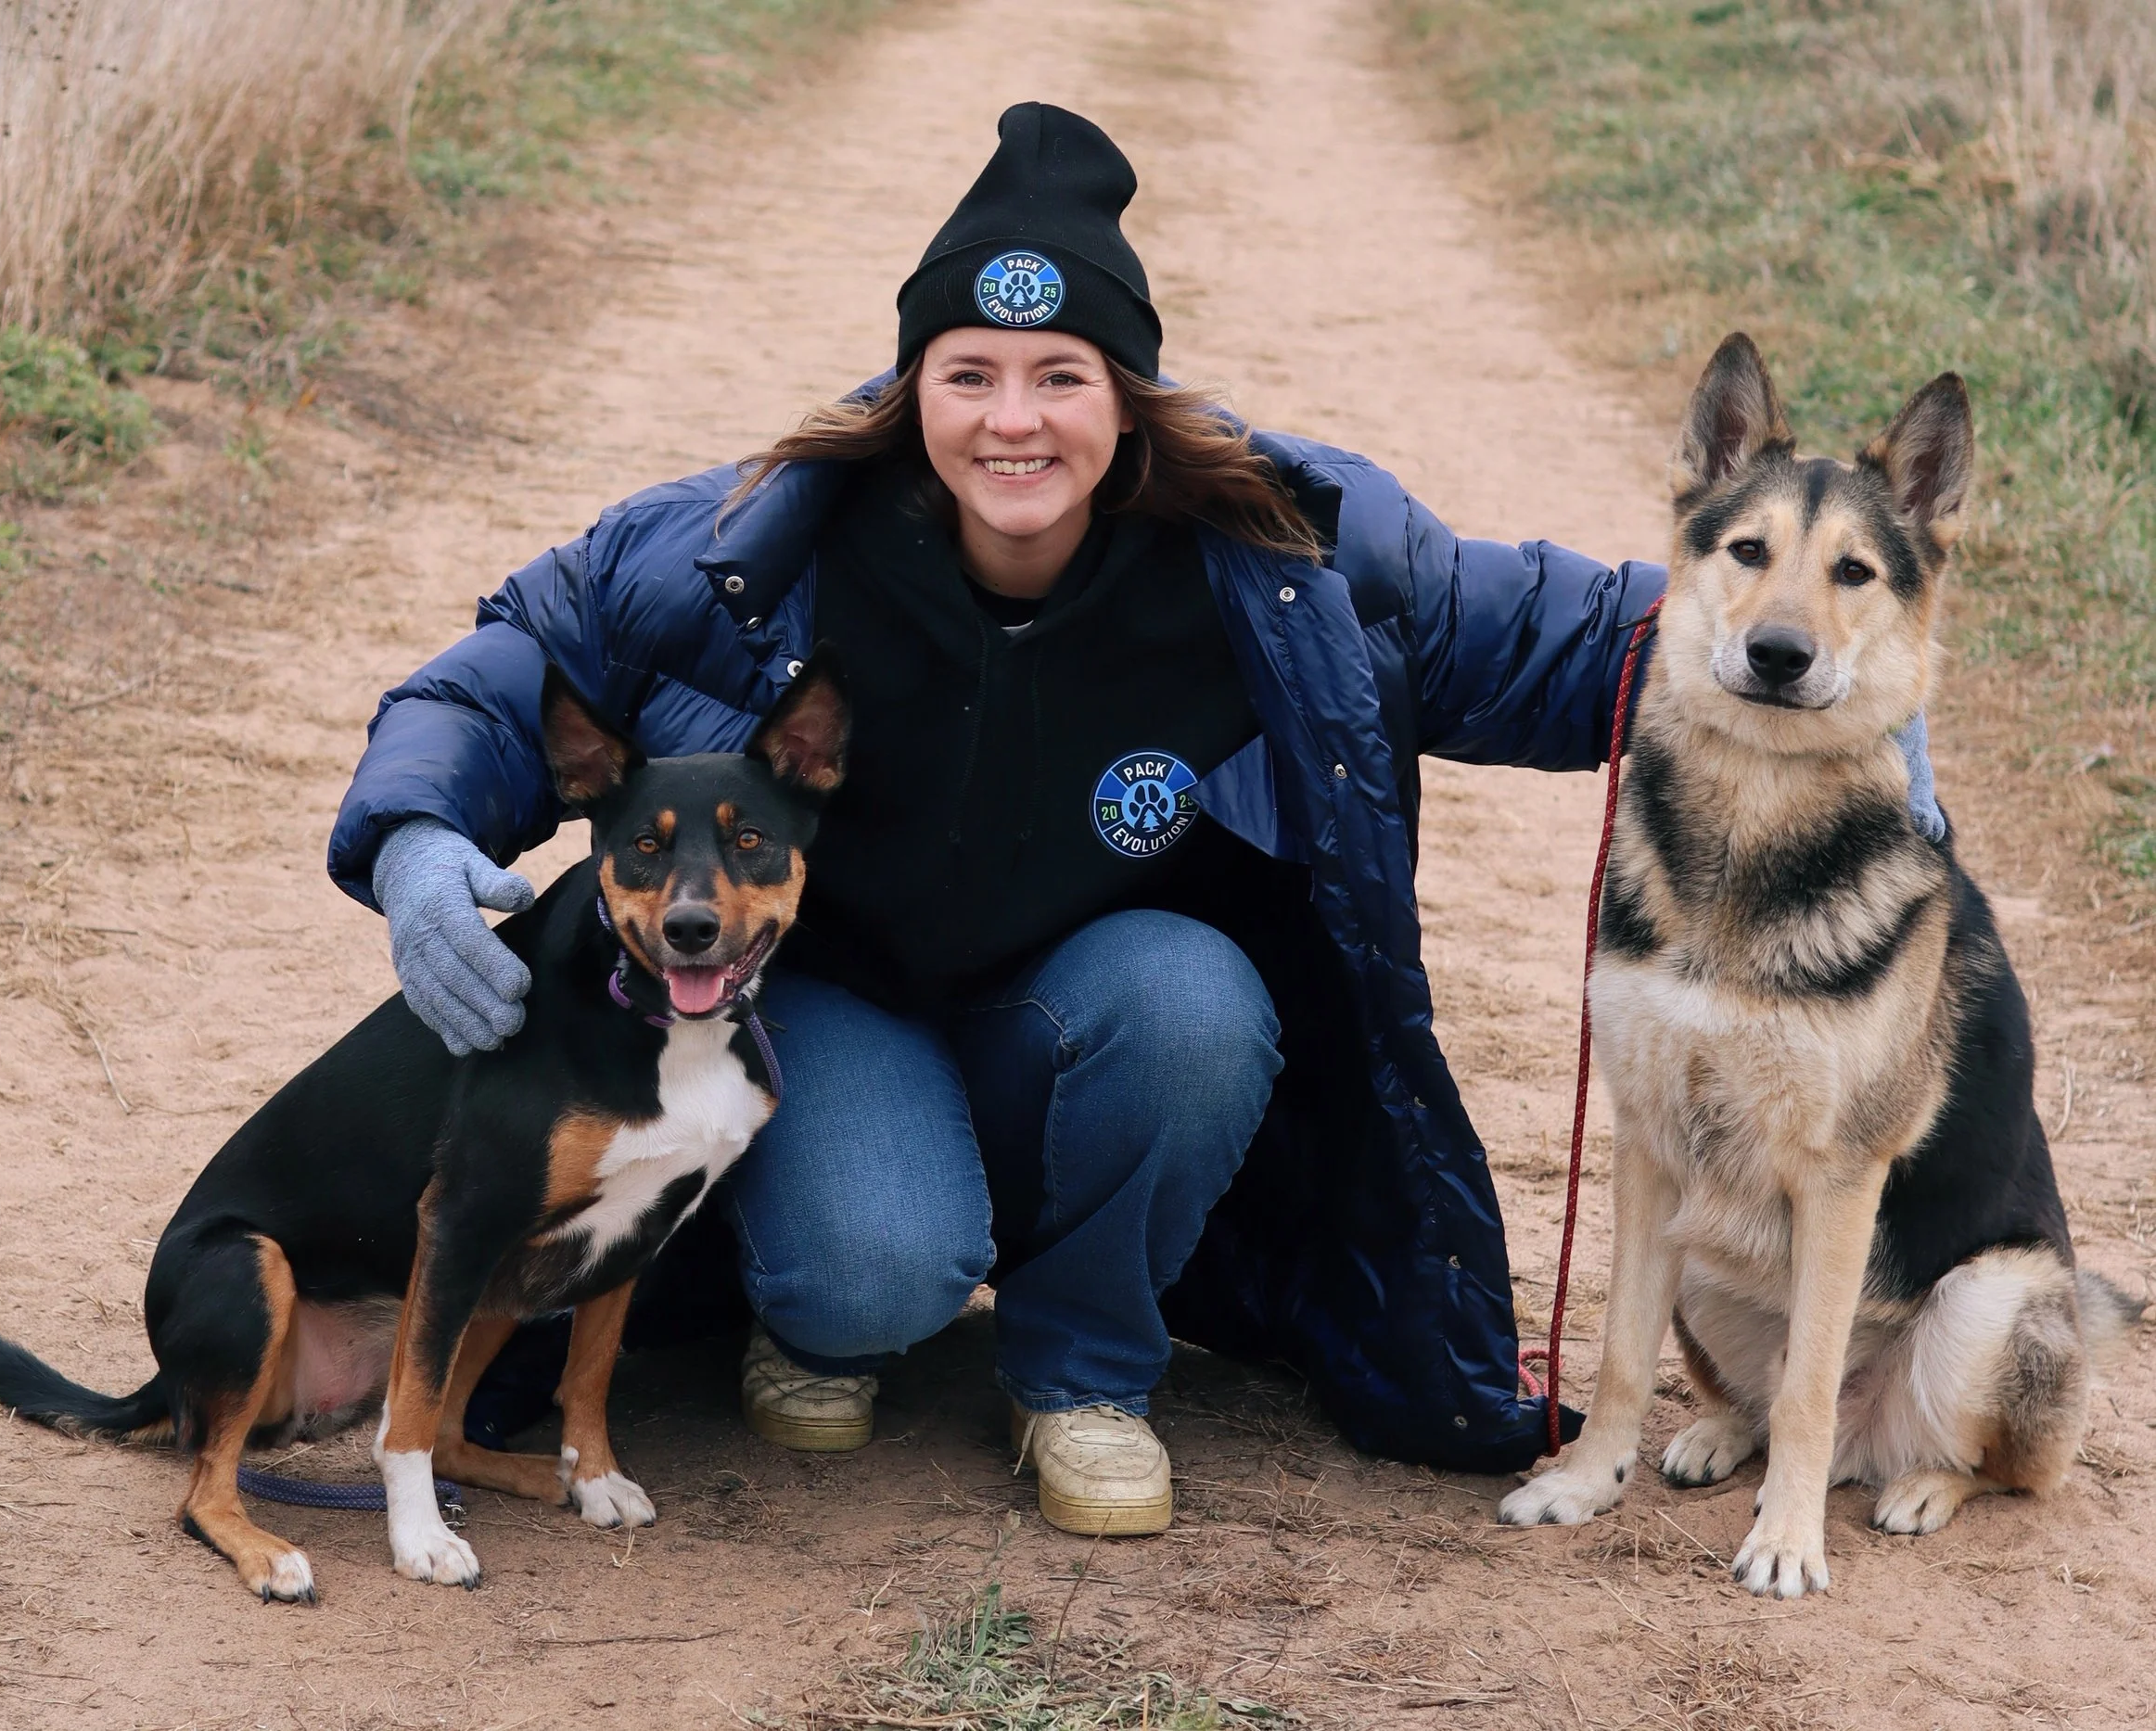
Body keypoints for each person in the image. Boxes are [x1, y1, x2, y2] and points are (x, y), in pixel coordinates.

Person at [329, 104, 1943, 1536]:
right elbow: (510, 665)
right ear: (913, 392)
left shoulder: (1283, 550)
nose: (1011, 420)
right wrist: (413, 841)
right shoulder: (748, 544)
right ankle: (811, 1315)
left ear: (1129, 397)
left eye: (1061, 377)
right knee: (874, 1270)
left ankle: (1086, 1372)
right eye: (967, 375)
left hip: (1092, 1003)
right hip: (820, 1011)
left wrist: (1873, 724)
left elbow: (1604, 631)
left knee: (1199, 1005)